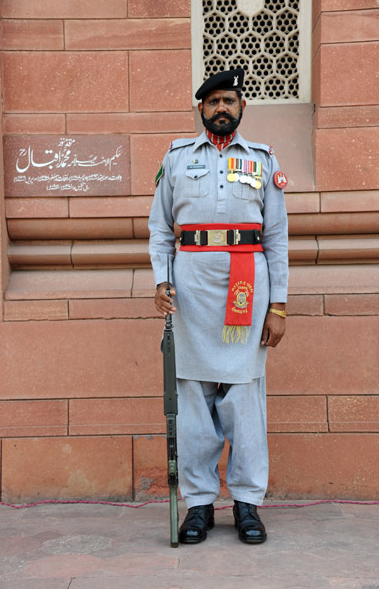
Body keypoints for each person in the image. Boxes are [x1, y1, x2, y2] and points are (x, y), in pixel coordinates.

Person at [148, 69, 288, 544]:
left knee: (245, 399)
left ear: (241, 107)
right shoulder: (176, 158)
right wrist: (161, 281)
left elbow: (276, 238)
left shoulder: (264, 160)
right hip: (191, 293)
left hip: (247, 287)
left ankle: (247, 504)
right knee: (192, 401)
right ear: (201, 109)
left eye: (229, 100)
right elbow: (161, 231)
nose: (222, 108)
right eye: (213, 102)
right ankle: (201, 506)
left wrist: (280, 306)